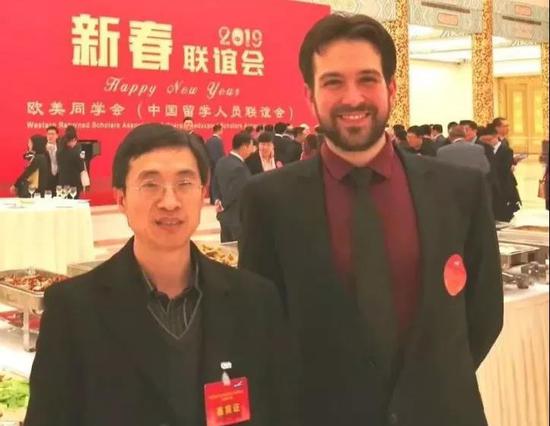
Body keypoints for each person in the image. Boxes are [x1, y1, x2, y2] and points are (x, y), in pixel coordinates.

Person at [239, 13, 503, 426]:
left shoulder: (458, 190)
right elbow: (260, 326)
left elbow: (485, 312)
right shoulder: (268, 200)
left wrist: (433, 386)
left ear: (391, 89)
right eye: (333, 82)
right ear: (310, 95)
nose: (352, 98)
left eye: (367, 79)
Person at [25, 123, 300, 426]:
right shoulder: (72, 309)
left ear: (202, 193)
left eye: (185, 183)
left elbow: (280, 411)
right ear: (121, 198)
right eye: (150, 184)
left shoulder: (255, 300)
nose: (170, 202)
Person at [213, 132, 254, 242]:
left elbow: (215, 184)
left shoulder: (222, 161)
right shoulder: (239, 168)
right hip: (236, 218)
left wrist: (217, 200)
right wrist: (223, 204)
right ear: (244, 146)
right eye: (251, 146)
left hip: (224, 217)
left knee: (226, 248)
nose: (252, 150)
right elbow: (234, 193)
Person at [57, 126, 84, 198]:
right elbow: (81, 167)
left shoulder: (59, 152)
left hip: (62, 181)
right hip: (74, 182)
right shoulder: (76, 152)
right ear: (73, 140)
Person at [205, 124, 225, 205]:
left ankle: (212, 199)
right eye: (222, 130)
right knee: (216, 181)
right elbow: (221, 153)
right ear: (219, 130)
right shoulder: (219, 141)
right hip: (218, 163)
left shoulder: (208, 140)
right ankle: (216, 199)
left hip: (210, 163)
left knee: (212, 180)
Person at [45, 125, 61, 192]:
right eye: (48, 134)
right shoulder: (42, 147)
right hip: (46, 179)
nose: (50, 136)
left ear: (57, 136)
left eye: (52, 134)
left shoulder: (61, 147)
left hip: (59, 178)